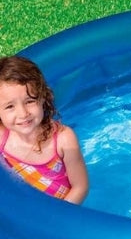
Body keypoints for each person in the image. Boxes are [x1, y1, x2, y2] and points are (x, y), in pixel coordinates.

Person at [0, 55, 89, 204]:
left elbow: (80, 187)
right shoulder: (2, 137)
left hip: (60, 212)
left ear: (42, 98)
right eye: (10, 106)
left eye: (30, 101)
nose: (23, 114)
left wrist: (56, 219)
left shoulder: (63, 139)